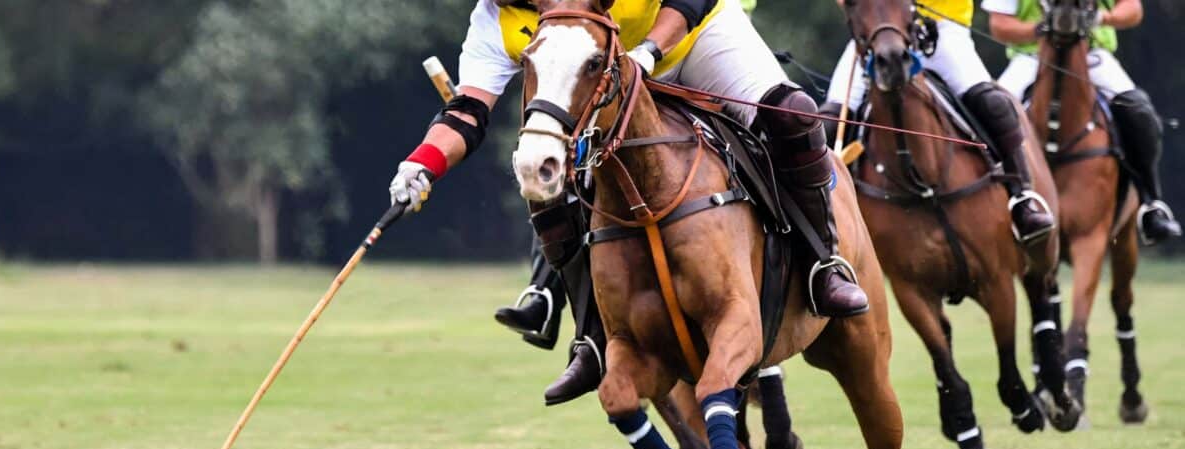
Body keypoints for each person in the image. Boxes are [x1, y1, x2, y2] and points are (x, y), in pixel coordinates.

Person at [391, 0, 869, 409]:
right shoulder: (492, 19)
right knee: (544, 177)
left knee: (793, 117)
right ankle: (590, 336)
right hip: (602, 86)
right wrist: (422, 163)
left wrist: (648, 52)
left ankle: (821, 263)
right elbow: (469, 110)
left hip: (692, 41)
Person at [823, 0, 1058, 244]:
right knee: (830, 120)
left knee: (994, 104)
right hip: (880, 30)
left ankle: (1023, 198)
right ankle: (828, 218)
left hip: (942, 28)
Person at [983, 0, 1181, 244]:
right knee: (991, 112)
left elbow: (1132, 10)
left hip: (1091, 56)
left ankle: (1151, 203)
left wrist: (1101, 19)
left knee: (1138, 111)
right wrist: (1042, 28)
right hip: (1032, 56)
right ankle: (997, 202)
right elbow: (999, 25)